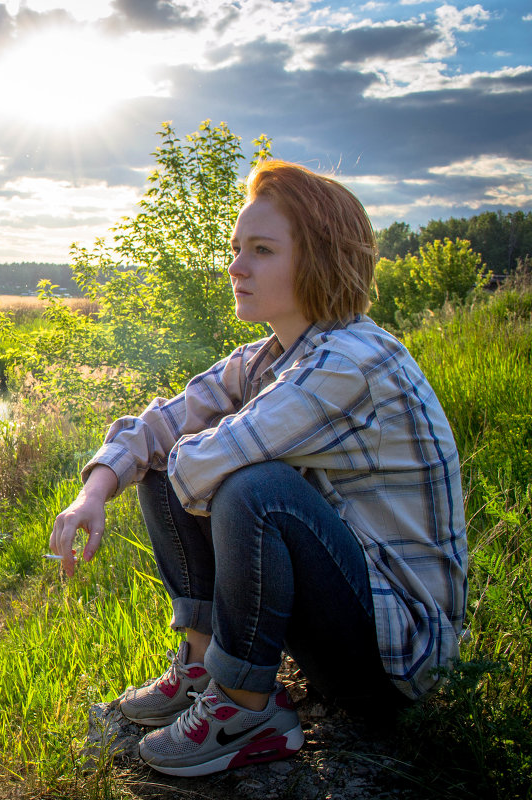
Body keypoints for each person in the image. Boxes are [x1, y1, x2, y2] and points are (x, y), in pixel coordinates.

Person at [49, 160, 467, 777]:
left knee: (253, 486)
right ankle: (201, 666)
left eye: (262, 250)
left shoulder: (349, 364)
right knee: (186, 460)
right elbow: (160, 424)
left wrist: (165, 453)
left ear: (321, 260)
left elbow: (204, 458)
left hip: (395, 658)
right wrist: (95, 492)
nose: (235, 267)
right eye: (237, 248)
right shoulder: (273, 357)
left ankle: (247, 710)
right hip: (348, 616)